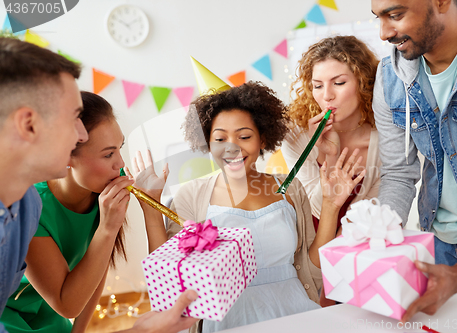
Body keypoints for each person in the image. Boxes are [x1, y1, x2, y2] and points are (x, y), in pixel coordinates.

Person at [128, 81, 364, 332]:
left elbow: (312, 265)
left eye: (244, 136)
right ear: (208, 143)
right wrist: (150, 208)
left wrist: (330, 205)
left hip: (295, 314)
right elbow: (170, 280)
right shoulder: (191, 196)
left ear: (262, 139)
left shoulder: (290, 189)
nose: (232, 147)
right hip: (228, 322)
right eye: (220, 138)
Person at [0, 37, 196, 333]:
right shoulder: (34, 208)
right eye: (73, 118)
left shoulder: (26, 206)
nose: (80, 134)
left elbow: (93, 276)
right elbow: (67, 302)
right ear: (28, 124)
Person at [370, 0, 457, 321]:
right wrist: (370, 253)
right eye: (379, 18)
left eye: (396, 15)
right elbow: (399, 174)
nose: (385, 32)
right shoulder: (390, 78)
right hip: (437, 248)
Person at [282, 35, 381, 233]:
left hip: (358, 244)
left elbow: (370, 216)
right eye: (318, 86)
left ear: (364, 83)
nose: (327, 95)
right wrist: (331, 155)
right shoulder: (295, 137)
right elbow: (317, 209)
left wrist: (336, 257)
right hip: (307, 249)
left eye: (339, 83)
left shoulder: (385, 139)